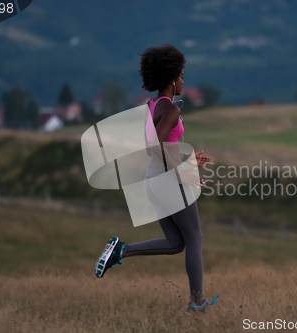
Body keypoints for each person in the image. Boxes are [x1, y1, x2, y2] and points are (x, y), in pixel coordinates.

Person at [94, 44, 218, 313]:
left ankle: (120, 251)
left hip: (153, 180)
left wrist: (187, 161)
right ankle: (197, 304)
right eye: (182, 75)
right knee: (194, 240)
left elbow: (159, 146)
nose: (184, 81)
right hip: (168, 180)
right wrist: (182, 170)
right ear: (172, 77)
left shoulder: (152, 105)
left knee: (176, 243)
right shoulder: (170, 110)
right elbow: (155, 145)